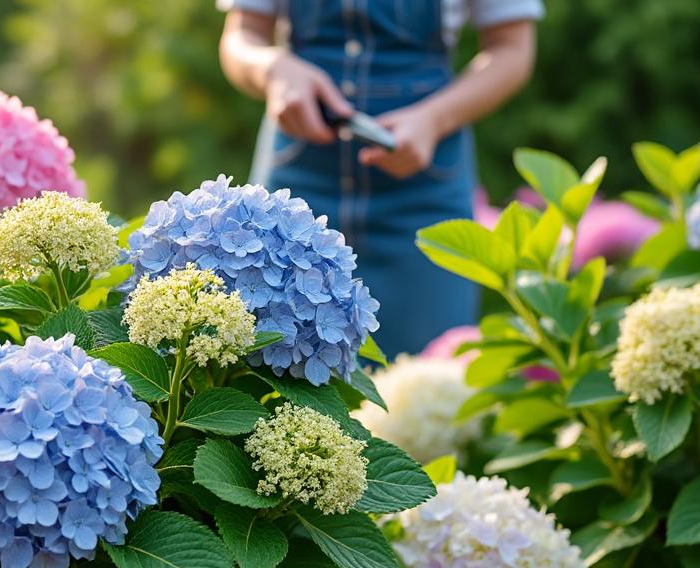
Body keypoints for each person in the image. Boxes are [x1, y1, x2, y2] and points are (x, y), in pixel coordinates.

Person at [219, 0, 541, 354]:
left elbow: (512, 49)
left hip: (424, 188)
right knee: (270, 369)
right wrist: (272, 68)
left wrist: (435, 119)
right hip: (297, 183)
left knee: (431, 375)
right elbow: (242, 35)